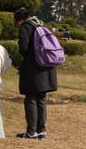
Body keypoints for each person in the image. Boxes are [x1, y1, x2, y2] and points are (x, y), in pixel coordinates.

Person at [14, 8, 57, 139]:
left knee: (31, 98)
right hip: (47, 66)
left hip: (33, 68)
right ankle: (41, 131)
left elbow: (24, 49)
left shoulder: (25, 27)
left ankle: (31, 131)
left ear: (19, 20)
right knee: (42, 99)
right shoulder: (42, 24)